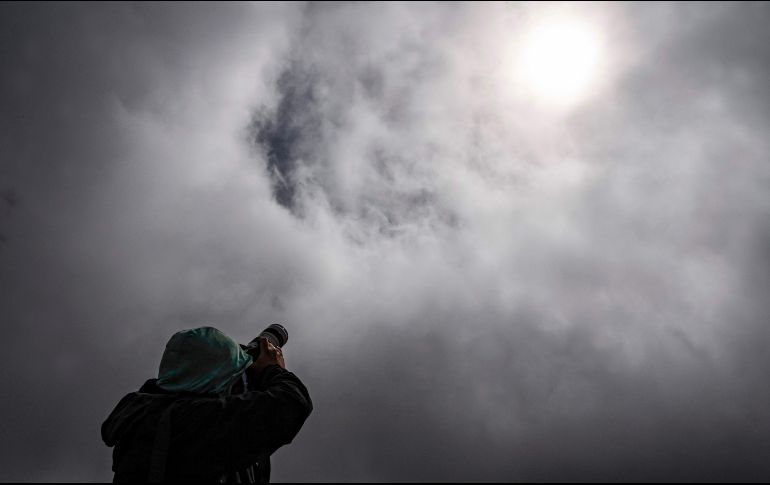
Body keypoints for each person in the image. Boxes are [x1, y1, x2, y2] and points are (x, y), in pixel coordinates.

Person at [101, 326, 312, 483]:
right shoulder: (190, 422)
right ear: (207, 380)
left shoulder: (148, 416)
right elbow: (291, 403)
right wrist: (273, 369)